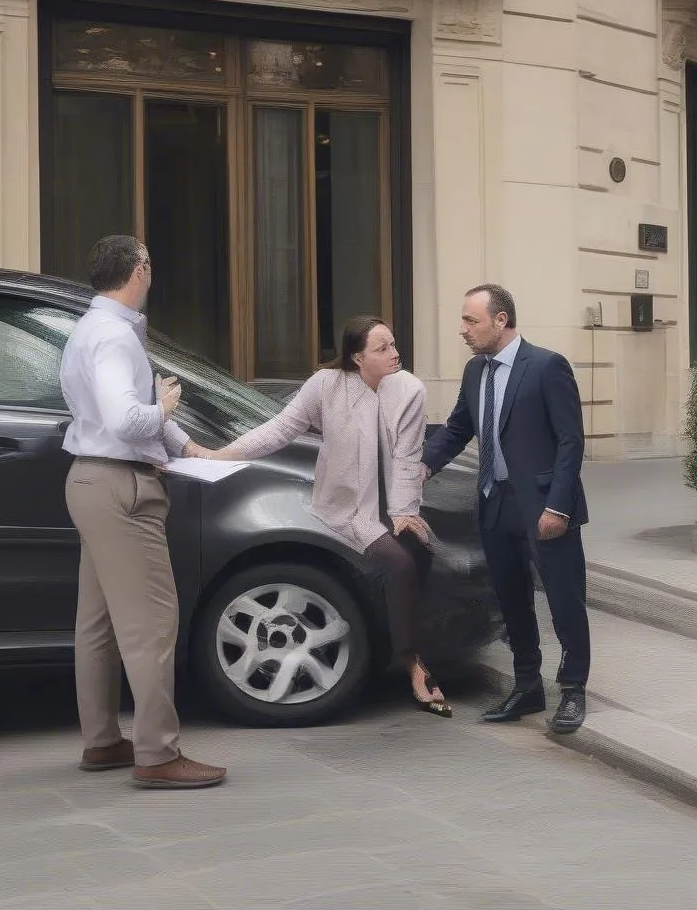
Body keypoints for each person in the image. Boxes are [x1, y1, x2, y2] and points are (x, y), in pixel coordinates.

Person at [200, 316, 452, 716]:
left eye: (394, 344)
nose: (395, 354)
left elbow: (407, 457)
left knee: (420, 551)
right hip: (344, 508)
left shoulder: (410, 390)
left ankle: (411, 647)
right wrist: (218, 455)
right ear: (356, 357)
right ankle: (413, 665)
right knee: (399, 564)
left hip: (392, 499)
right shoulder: (327, 384)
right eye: (382, 348)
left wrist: (405, 512)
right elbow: (279, 429)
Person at [59, 235, 226, 788]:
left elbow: (126, 417)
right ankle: (157, 755)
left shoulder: (91, 328)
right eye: (150, 263)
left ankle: (104, 742)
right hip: (121, 490)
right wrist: (165, 407)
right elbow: (127, 420)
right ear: (141, 269)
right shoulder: (114, 336)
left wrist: (189, 447)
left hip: (92, 481)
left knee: (99, 624)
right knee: (152, 625)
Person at [422, 284, 590, 734]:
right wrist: (422, 466)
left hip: (544, 509)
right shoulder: (476, 371)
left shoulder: (547, 366)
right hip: (495, 504)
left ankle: (573, 690)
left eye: (470, 320)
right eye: (463, 320)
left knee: (563, 600)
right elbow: (458, 428)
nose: (463, 330)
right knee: (513, 601)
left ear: (501, 320)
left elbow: (571, 441)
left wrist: (558, 505)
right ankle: (527, 686)